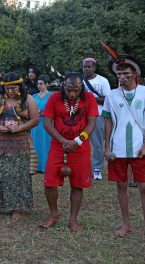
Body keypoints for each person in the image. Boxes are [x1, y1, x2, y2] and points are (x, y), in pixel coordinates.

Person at [102, 54, 145, 243]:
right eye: (119, 74)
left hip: (139, 148)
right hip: (118, 148)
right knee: (121, 185)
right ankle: (126, 224)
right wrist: (106, 146)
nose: (122, 77)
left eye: (126, 73)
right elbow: (108, 120)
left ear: (135, 74)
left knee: (144, 187)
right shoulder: (111, 95)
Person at [40, 72, 97, 233]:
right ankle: (54, 214)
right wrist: (63, 140)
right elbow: (47, 122)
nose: (72, 94)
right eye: (69, 90)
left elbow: (91, 123)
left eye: (76, 90)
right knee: (49, 182)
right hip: (59, 146)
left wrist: (78, 141)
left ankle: (73, 219)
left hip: (81, 147)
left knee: (77, 184)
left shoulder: (89, 98)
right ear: (63, 87)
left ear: (81, 88)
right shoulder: (54, 98)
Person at [0, 72, 39, 221]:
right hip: (1, 142)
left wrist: (20, 128)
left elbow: (35, 120)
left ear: (20, 86)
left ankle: (17, 208)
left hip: (21, 142)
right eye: (8, 88)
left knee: (19, 175)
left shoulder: (28, 99)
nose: (10, 91)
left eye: (14, 88)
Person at [82, 57, 111, 180]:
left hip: (97, 115)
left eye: (89, 66)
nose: (86, 69)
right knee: (80, 143)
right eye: (84, 66)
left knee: (97, 143)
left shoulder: (102, 81)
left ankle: (97, 169)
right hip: (80, 115)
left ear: (94, 67)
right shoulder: (79, 80)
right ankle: (81, 167)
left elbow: (108, 99)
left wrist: (91, 99)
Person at [31, 75, 53, 173]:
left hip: (47, 123)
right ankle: (35, 166)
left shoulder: (52, 96)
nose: (39, 86)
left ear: (47, 84)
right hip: (35, 124)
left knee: (46, 144)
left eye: (41, 84)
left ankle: (46, 166)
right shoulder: (33, 96)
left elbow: (55, 110)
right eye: (38, 84)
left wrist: (43, 112)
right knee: (35, 143)